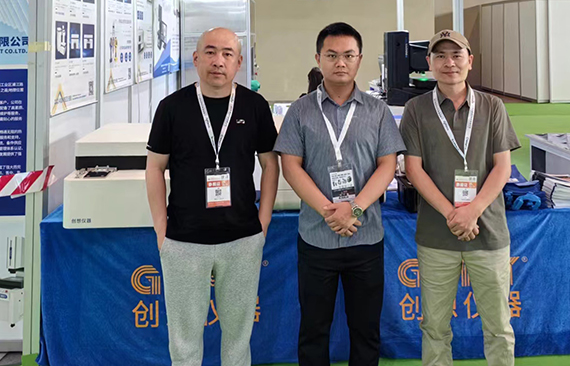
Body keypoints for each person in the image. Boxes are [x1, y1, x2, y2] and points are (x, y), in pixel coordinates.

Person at [146, 27, 279, 366]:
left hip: (242, 240)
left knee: (237, 339)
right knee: (184, 341)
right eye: (210, 52)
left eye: (227, 54)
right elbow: (154, 168)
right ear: (195, 59)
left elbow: (270, 164)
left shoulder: (255, 106)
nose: (218, 61)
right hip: (184, 241)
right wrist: (161, 229)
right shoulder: (172, 107)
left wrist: (263, 221)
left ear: (239, 62)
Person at [275, 22, 406, 366]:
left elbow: (387, 166)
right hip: (317, 237)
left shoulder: (378, 112)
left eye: (348, 55)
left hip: (365, 237)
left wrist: (355, 209)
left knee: (365, 331)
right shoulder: (300, 111)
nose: (340, 63)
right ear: (318, 58)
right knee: (313, 330)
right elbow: (291, 167)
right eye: (332, 55)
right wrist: (329, 211)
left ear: (360, 59)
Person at [400, 30, 520, 366]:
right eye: (440, 56)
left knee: (498, 326)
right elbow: (414, 170)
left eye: (456, 55)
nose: (449, 63)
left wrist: (473, 211)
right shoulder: (416, 109)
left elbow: (502, 167)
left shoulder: (492, 106)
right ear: (429, 63)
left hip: (488, 232)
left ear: (470, 60)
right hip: (436, 236)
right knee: (435, 327)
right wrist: (454, 214)